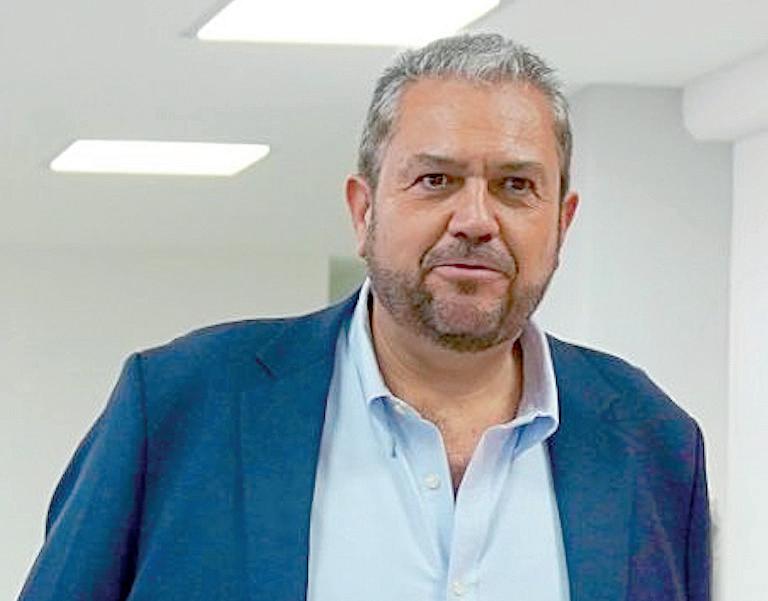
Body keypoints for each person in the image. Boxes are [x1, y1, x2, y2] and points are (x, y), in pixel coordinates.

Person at [19, 33, 710, 601]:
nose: (475, 219)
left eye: (515, 185)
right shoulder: (181, 407)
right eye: (435, 179)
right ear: (363, 210)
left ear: (561, 222)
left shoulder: (654, 444)